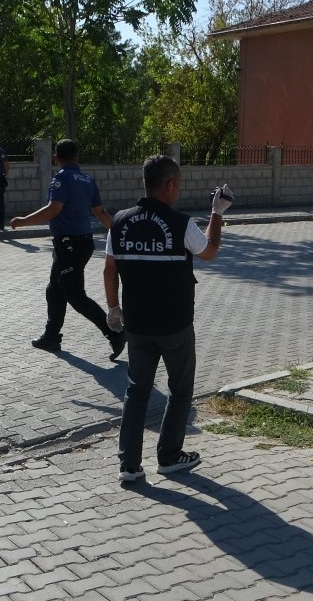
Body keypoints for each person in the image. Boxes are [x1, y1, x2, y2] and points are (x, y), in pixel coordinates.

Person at [103, 154, 233, 483]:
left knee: (137, 392)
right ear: (170, 185)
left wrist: (113, 308)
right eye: (178, 186)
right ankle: (170, 457)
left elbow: (109, 268)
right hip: (174, 325)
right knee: (180, 391)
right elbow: (210, 251)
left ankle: (129, 466)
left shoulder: (119, 221)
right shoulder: (181, 224)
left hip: (138, 326)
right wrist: (216, 213)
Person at [10, 139, 125, 360]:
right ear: (77, 156)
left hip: (70, 245)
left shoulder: (61, 178)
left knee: (76, 296)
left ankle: (115, 334)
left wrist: (23, 221)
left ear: (56, 157)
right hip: (80, 244)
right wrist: (119, 232)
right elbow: (100, 212)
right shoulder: (87, 179)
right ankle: (51, 336)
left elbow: (54, 209)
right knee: (54, 290)